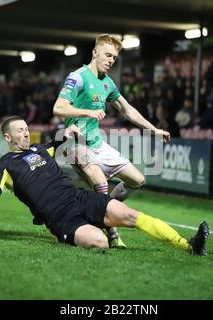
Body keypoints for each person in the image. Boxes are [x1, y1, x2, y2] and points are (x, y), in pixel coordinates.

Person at [0, 116, 209, 255]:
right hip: (59, 216)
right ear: (8, 138)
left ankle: (189, 245)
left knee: (131, 215)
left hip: (79, 197)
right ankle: (67, 235)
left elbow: (56, 140)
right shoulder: (4, 165)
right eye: (20, 131)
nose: (26, 133)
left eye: (26, 129)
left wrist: (67, 130)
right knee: (101, 242)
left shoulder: (39, 148)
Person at [52, 34, 171, 248]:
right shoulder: (77, 77)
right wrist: (87, 112)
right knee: (101, 184)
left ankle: (93, 208)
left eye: (114, 58)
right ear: (94, 52)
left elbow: (127, 110)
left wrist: (153, 129)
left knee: (138, 180)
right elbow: (58, 108)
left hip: (98, 144)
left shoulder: (107, 83)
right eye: (107, 55)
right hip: (75, 144)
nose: (111, 60)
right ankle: (112, 231)